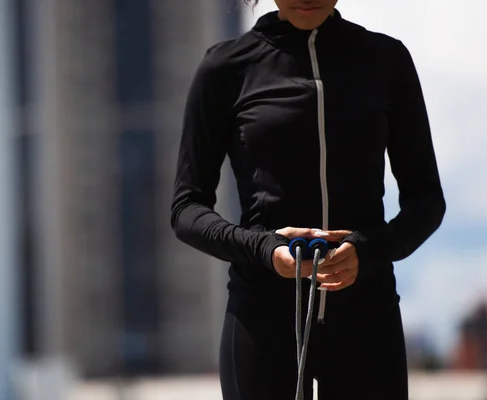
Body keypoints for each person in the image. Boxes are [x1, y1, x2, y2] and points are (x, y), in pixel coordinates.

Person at [170, 0, 446, 399]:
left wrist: (366, 250)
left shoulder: (386, 60)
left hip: (367, 317)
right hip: (262, 317)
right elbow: (186, 209)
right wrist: (265, 249)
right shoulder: (225, 67)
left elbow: (426, 201)